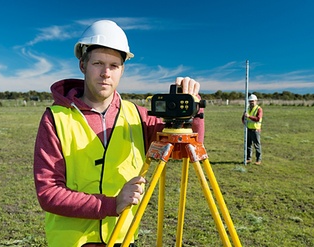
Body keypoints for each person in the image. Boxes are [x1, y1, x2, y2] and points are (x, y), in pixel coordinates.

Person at [33, 20, 204, 247]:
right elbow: (49, 192)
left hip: (123, 240)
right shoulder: (55, 119)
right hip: (72, 242)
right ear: (82, 65)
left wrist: (192, 109)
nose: (106, 73)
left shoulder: (139, 116)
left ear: (123, 69)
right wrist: (111, 205)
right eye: (98, 63)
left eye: (114, 65)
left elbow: (186, 150)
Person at [242, 94, 263, 165]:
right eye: (250, 101)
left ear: (256, 101)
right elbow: (243, 118)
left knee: (257, 145)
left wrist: (249, 116)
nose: (251, 103)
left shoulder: (259, 109)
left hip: (256, 130)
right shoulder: (247, 109)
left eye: (252, 101)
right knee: (248, 145)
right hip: (248, 130)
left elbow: (258, 118)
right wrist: (244, 122)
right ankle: (248, 158)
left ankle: (258, 160)